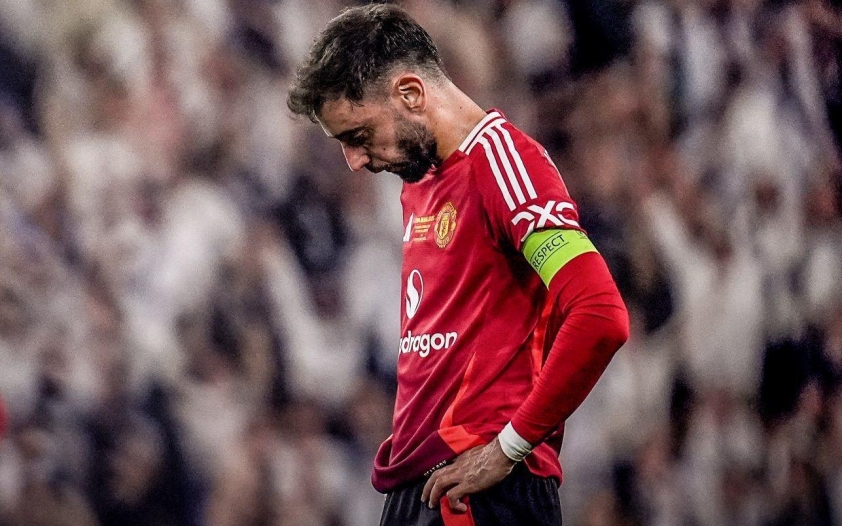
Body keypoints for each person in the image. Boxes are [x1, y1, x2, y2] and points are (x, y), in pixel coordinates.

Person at [287, 5, 629, 525]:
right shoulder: (421, 181)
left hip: (483, 492)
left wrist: (509, 447)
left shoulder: (503, 162)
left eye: (357, 136)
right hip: (418, 488)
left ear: (410, 93)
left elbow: (600, 313)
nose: (354, 161)